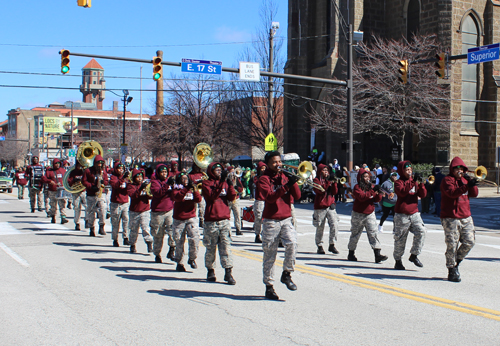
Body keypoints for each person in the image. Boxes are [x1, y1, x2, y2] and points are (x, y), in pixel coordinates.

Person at [259, 151, 301, 300]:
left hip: (286, 218)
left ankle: (287, 274)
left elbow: (297, 196)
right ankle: (269, 286)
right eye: (275, 162)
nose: (278, 164)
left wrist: (293, 182)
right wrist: (285, 186)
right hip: (271, 221)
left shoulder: (284, 176)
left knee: (293, 244)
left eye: (279, 161)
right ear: (268, 164)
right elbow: (270, 198)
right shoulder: (264, 179)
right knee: (270, 255)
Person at [440, 157, 478, 282]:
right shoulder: (447, 180)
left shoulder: (465, 180)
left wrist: (471, 184)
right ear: (452, 169)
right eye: (457, 169)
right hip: (451, 217)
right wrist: (465, 187)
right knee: (452, 244)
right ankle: (451, 270)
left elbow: (474, 194)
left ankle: (456, 261)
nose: (459, 171)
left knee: (469, 241)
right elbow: (452, 193)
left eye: (461, 168)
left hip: (466, 216)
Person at [202, 161, 237, 285]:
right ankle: (210, 270)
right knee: (211, 248)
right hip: (211, 221)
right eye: (216, 170)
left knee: (226, 247)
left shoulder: (225, 183)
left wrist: (231, 185)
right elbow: (212, 196)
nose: (219, 172)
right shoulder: (206, 183)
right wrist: (222, 182)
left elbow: (232, 197)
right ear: (211, 172)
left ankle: (228, 272)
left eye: (220, 170)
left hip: (224, 220)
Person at [347, 168, 388, 263]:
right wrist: (373, 191)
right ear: (360, 178)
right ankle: (351, 253)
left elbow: (376, 200)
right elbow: (362, 197)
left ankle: (377, 254)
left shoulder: (371, 187)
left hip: (369, 213)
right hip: (358, 214)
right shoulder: (357, 187)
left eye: (368, 176)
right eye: (364, 177)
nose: (367, 178)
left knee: (373, 233)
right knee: (355, 234)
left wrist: (379, 193)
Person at [393, 161, 427, 270]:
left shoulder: (414, 181)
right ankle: (398, 260)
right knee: (400, 239)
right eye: (407, 170)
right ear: (402, 171)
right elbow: (402, 192)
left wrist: (421, 184)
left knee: (422, 231)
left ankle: (414, 255)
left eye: (410, 170)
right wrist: (412, 183)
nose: (409, 172)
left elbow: (423, 195)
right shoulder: (398, 182)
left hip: (414, 213)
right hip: (402, 215)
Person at [172, 172, 202, 272]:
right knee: (179, 241)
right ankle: (179, 262)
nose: (185, 181)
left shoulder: (192, 189)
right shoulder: (176, 188)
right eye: (183, 179)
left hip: (191, 217)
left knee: (194, 239)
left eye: (186, 179)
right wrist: (185, 189)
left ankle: (192, 258)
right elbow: (177, 198)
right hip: (179, 219)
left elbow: (198, 199)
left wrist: (194, 189)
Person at [150, 164, 176, 263]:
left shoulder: (169, 181)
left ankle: (172, 250)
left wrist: (174, 185)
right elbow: (157, 193)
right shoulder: (154, 182)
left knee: (172, 231)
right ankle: (157, 254)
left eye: (165, 172)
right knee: (158, 234)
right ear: (158, 173)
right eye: (162, 172)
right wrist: (166, 185)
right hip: (158, 212)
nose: (164, 174)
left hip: (169, 210)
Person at [312, 163, 340, 255]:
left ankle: (332, 244)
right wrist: (328, 183)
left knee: (334, 225)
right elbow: (320, 190)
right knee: (320, 227)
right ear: (320, 172)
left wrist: (334, 183)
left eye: (327, 170)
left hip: (330, 205)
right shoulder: (316, 180)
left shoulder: (329, 180)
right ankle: (319, 245)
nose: (326, 172)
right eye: (324, 170)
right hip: (320, 207)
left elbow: (334, 192)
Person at [127, 169, 153, 254]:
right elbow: (133, 195)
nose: (139, 179)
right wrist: (140, 189)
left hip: (145, 210)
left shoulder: (146, 185)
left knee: (145, 228)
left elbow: (150, 196)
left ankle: (149, 243)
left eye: (141, 177)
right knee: (133, 229)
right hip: (134, 211)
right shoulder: (131, 186)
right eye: (137, 177)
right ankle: (132, 244)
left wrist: (149, 190)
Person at [82, 155, 109, 237]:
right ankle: (91, 228)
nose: (100, 165)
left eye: (101, 163)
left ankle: (101, 226)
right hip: (91, 194)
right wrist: (91, 186)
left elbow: (107, 181)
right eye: (98, 163)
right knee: (91, 212)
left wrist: (103, 182)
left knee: (102, 210)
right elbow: (84, 181)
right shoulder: (88, 171)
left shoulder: (103, 171)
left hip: (101, 194)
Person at [109, 162, 130, 247]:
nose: (121, 170)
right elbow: (115, 185)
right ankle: (115, 239)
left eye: (122, 169)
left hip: (125, 202)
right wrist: (122, 179)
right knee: (115, 222)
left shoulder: (127, 178)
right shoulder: (113, 177)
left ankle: (126, 237)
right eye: (119, 168)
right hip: (116, 203)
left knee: (126, 221)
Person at [41, 158, 68, 224]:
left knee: (62, 203)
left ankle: (63, 217)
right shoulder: (49, 171)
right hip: (52, 190)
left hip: (61, 190)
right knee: (53, 204)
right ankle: (53, 216)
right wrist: (49, 181)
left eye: (58, 163)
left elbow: (67, 178)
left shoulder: (63, 170)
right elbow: (43, 178)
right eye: (56, 163)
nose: (57, 165)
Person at [67, 162, 87, 231]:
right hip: (76, 192)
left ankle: (87, 219)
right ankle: (77, 223)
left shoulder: (85, 172)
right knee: (77, 208)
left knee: (88, 207)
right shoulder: (73, 172)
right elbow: (68, 181)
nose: (80, 167)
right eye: (79, 165)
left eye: (81, 165)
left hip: (84, 191)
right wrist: (73, 180)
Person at [226, 166, 243, 235]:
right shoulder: (226, 179)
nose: (233, 173)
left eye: (234, 171)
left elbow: (241, 189)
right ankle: (228, 230)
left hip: (236, 199)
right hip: (228, 199)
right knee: (227, 216)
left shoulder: (237, 179)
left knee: (237, 214)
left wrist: (237, 188)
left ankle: (238, 229)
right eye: (231, 171)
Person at [188, 163, 206, 228]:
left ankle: (202, 221)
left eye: (199, 167)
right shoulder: (190, 175)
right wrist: (196, 183)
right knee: (194, 209)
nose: (198, 168)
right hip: (193, 194)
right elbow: (189, 183)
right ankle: (193, 221)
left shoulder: (202, 174)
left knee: (202, 208)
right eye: (196, 167)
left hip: (201, 194)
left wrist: (203, 182)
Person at [253, 162, 267, 243]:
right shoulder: (256, 178)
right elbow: (258, 185)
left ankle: (265, 234)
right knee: (258, 218)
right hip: (259, 201)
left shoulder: (268, 177)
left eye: (265, 168)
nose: (263, 170)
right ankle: (257, 235)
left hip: (267, 200)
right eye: (262, 168)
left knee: (266, 220)